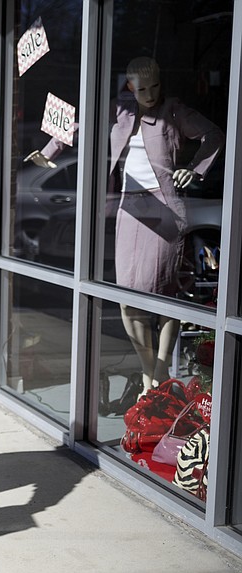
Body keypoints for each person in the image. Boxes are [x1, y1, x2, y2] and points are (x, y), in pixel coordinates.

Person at [26, 56, 224, 396]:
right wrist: (49, 152)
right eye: (142, 88)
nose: (150, 95)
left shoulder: (173, 111)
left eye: (155, 86)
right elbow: (77, 123)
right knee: (126, 295)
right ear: (131, 87)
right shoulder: (121, 111)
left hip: (164, 207)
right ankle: (152, 376)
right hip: (128, 207)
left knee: (163, 292)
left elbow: (213, 134)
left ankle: (158, 371)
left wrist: (194, 169)